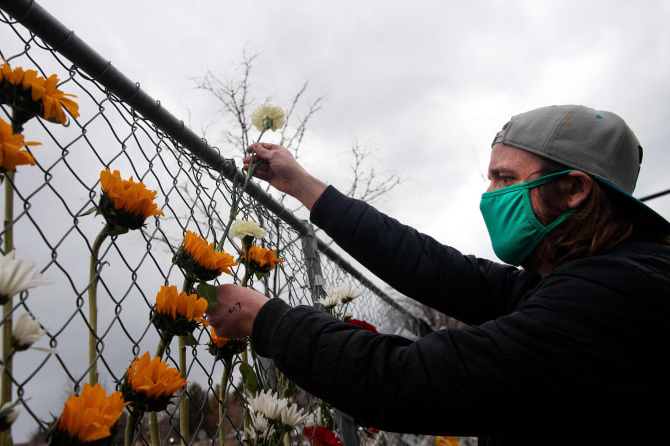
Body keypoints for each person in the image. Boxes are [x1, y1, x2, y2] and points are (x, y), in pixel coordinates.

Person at [207, 104, 670, 445]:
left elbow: (405, 379)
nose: (489, 196)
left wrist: (264, 319)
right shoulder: (580, 278)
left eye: (505, 180)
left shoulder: (614, 298)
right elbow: (435, 268)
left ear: (572, 189)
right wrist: (304, 187)